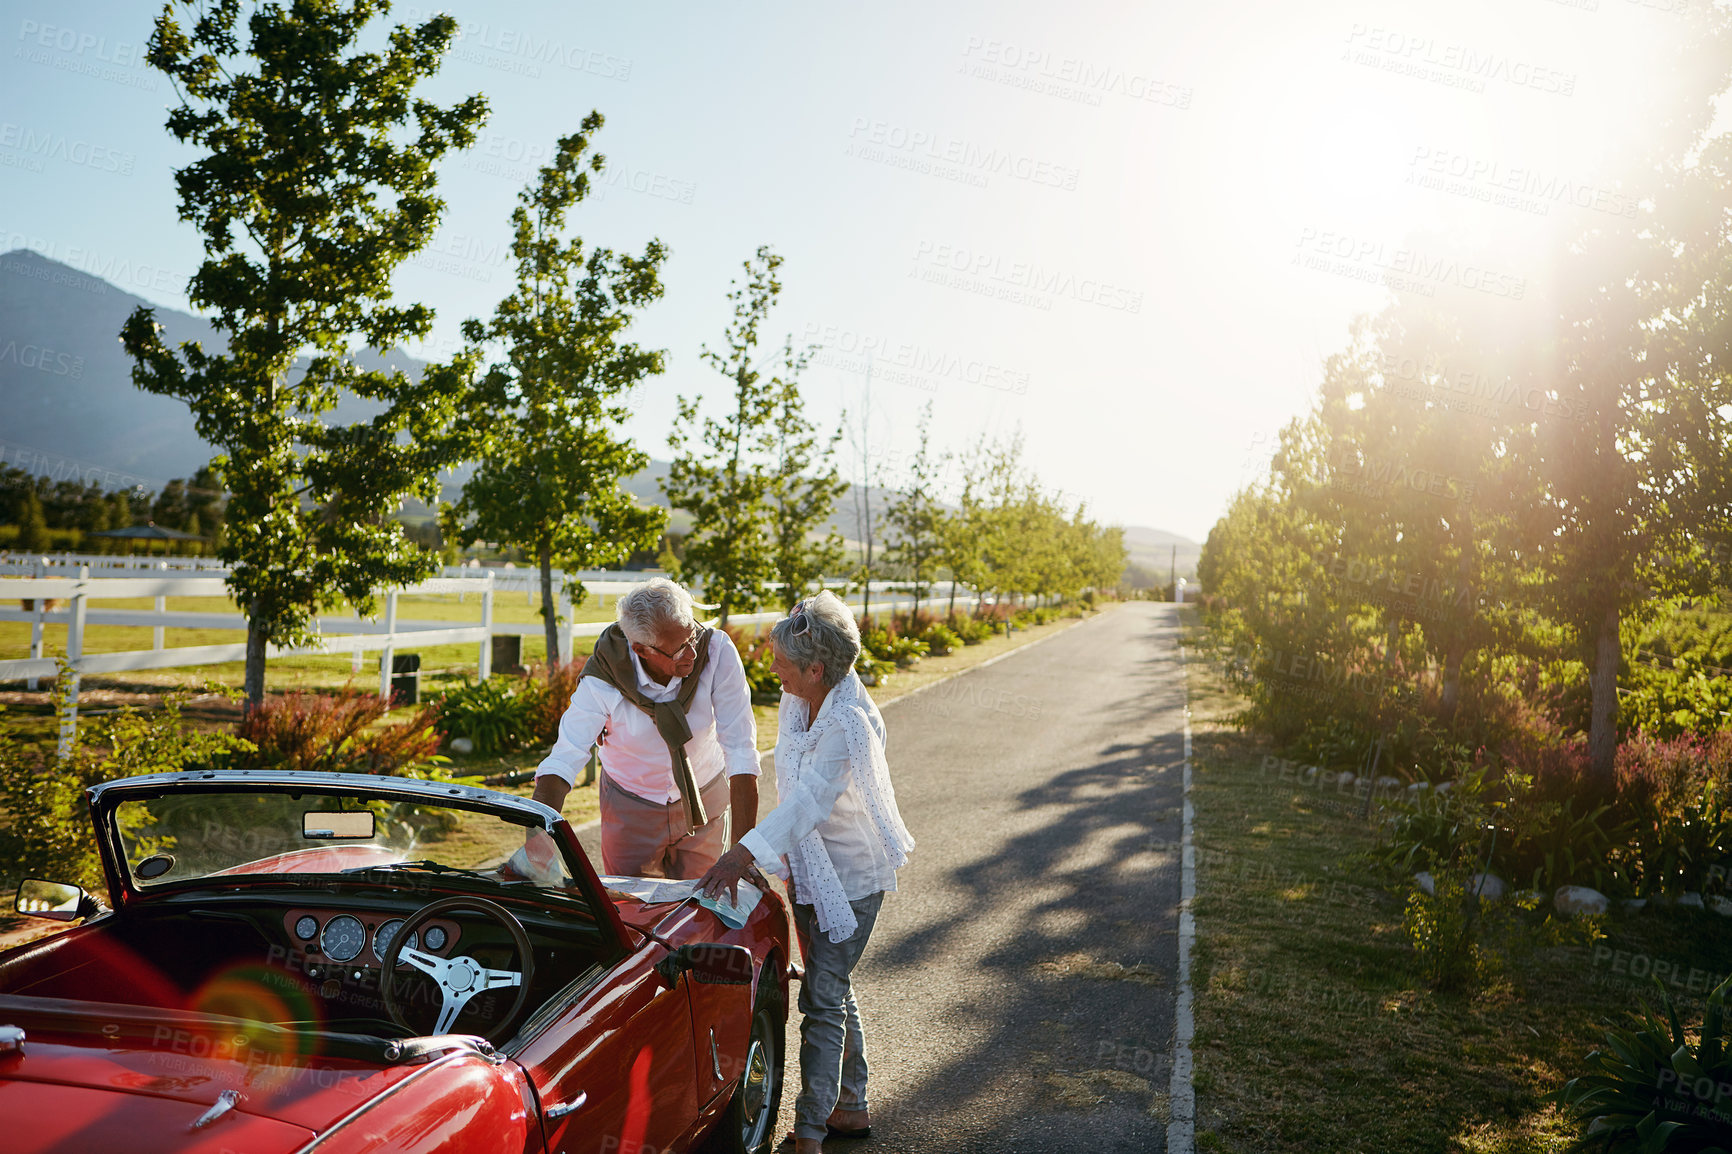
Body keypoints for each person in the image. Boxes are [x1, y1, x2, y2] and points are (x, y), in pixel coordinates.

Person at [697, 591, 915, 1154]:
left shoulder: (848, 720)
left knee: (819, 999)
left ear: (817, 669)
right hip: (809, 870)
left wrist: (743, 852)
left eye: (784, 665)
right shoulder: (802, 699)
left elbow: (810, 802)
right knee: (831, 989)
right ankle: (852, 1105)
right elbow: (792, 791)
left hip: (851, 878)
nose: (775, 671)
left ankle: (812, 1130)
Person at [531, 577, 759, 879]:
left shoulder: (715, 651)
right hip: (630, 808)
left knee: (702, 914)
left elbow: (741, 748)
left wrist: (742, 855)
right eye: (678, 650)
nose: (691, 654)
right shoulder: (604, 677)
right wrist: (536, 845)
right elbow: (565, 756)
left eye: (692, 637)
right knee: (630, 912)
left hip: (706, 799)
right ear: (641, 650)